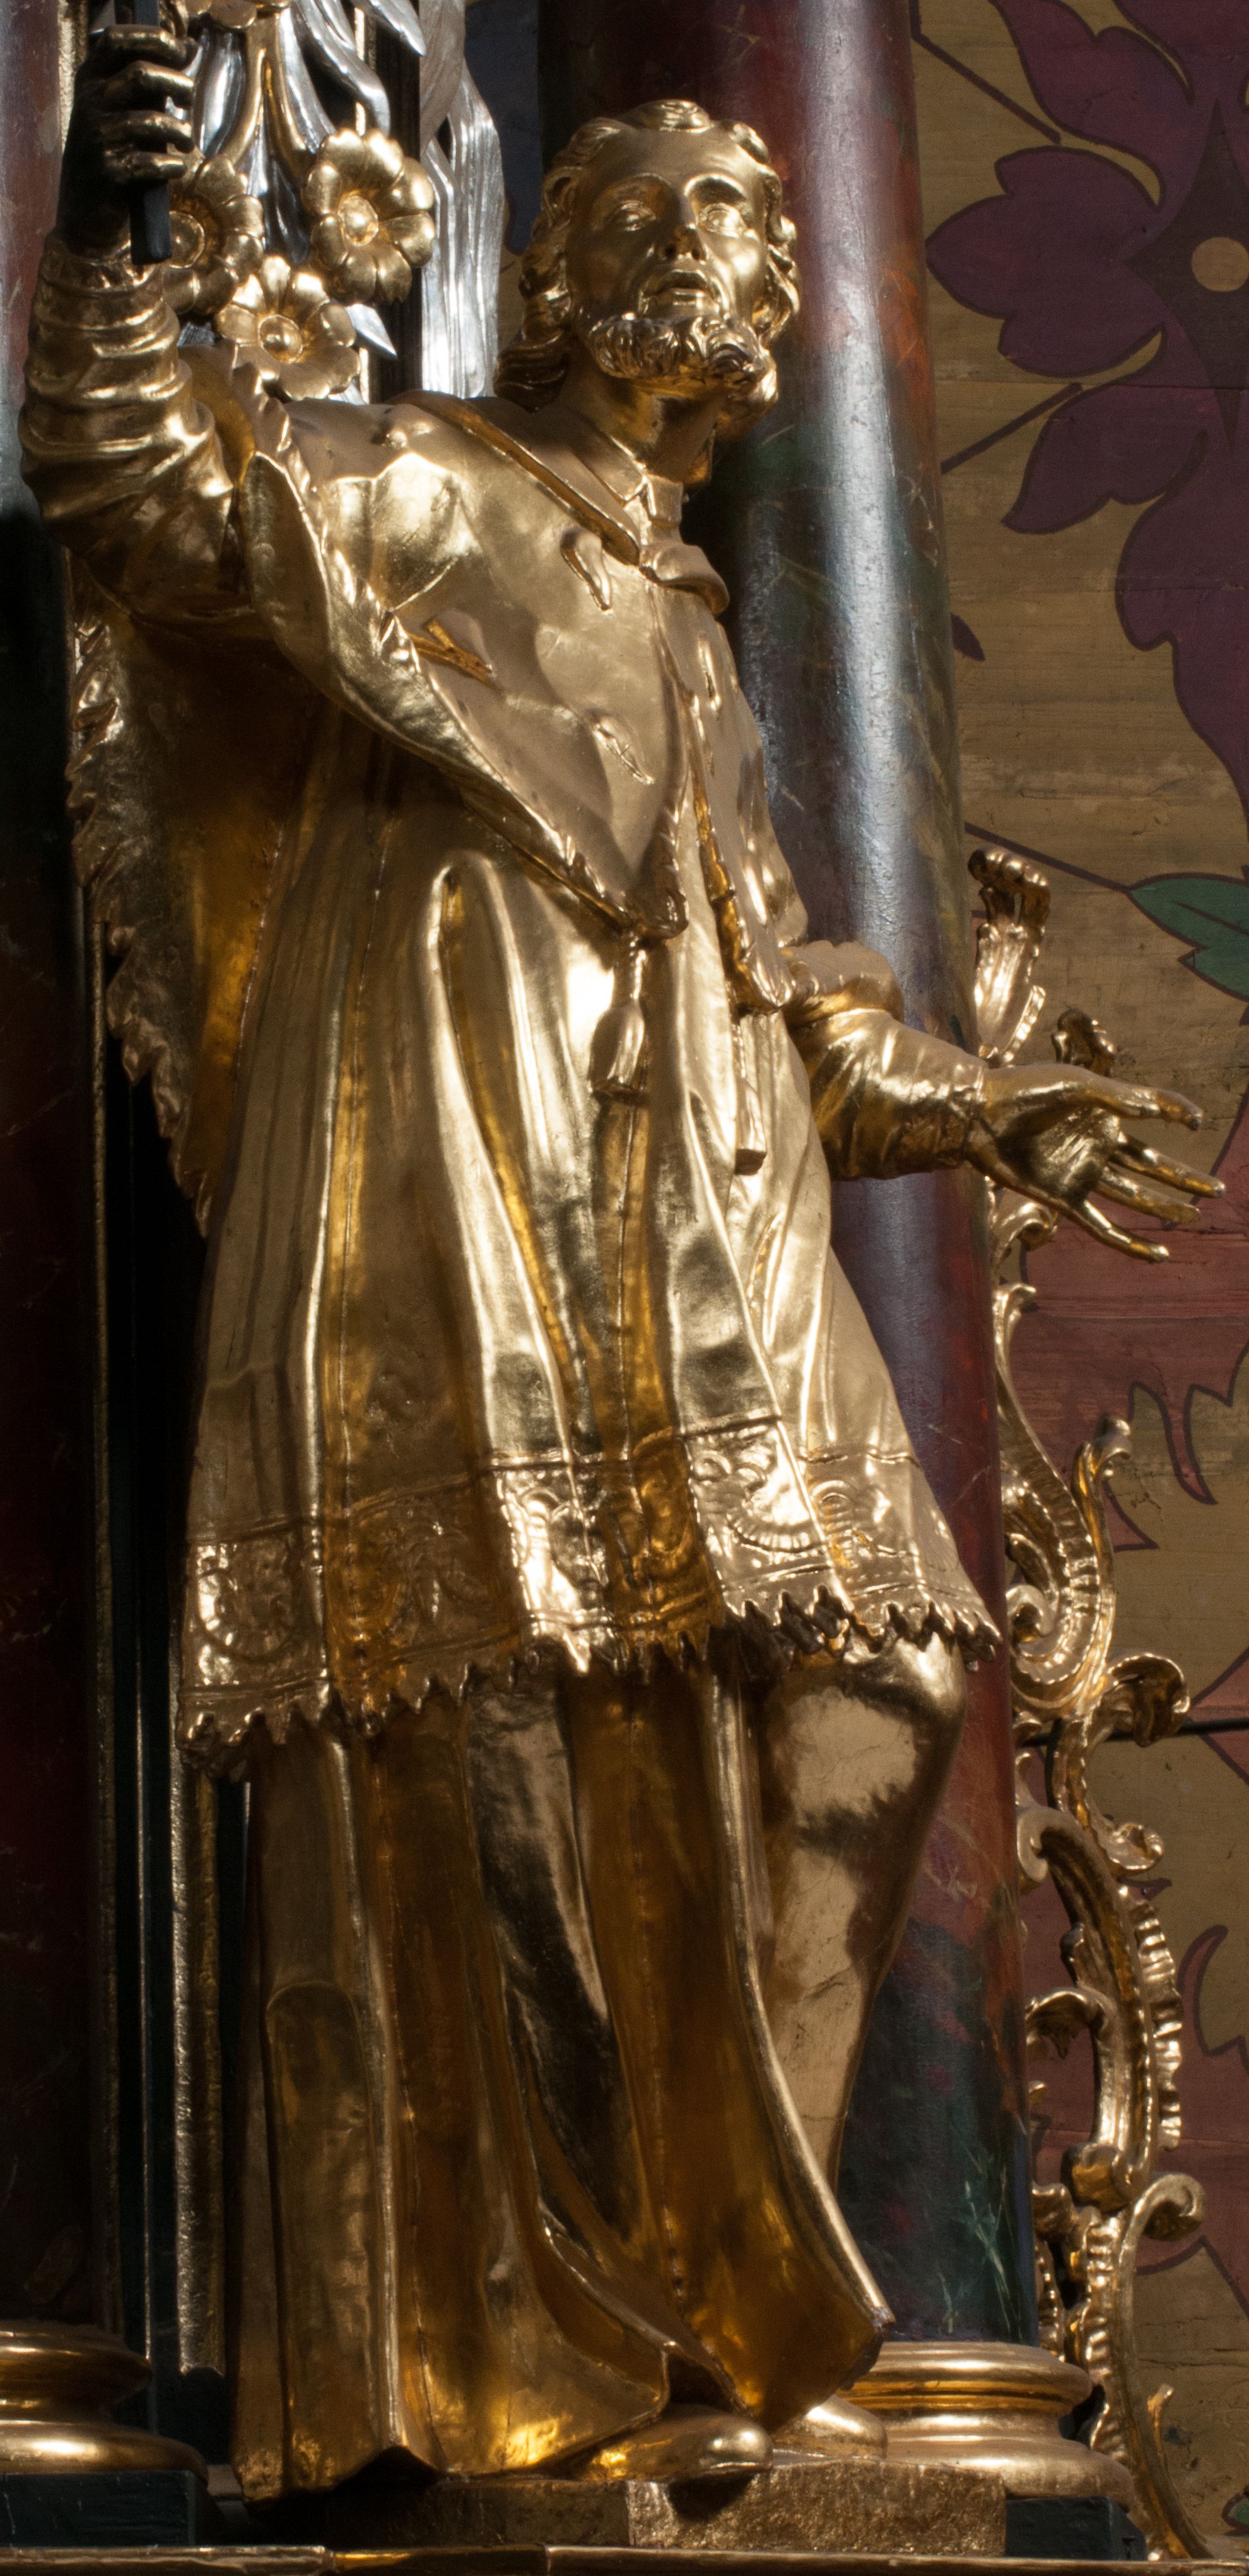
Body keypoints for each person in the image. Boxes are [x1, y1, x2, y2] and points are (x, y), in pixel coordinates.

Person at [21, 40, 1214, 2503]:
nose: (728, 264)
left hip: (689, 1235)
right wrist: (116, 220)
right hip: (467, 1205)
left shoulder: (682, 614)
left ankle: (698, 2258)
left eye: (756, 237)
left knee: (882, 1680)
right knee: (501, 1747)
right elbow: (148, 481)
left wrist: (990, 1102)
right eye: (669, 219)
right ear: (558, 280)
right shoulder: (431, 483)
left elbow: (780, 991)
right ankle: (551, 2353)